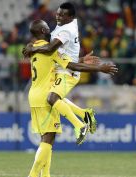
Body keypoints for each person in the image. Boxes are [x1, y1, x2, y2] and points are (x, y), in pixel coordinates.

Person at [24, 20, 117, 177]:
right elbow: (71, 65)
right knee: (49, 138)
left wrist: (82, 58)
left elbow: (59, 61)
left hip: (35, 94)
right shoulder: (50, 48)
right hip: (45, 96)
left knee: (47, 138)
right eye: (47, 26)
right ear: (44, 30)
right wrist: (99, 68)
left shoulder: (33, 48)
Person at [23, 2, 98, 139]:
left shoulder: (66, 30)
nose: (58, 17)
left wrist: (32, 48)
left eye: (62, 15)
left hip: (67, 72)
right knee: (56, 98)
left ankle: (79, 125)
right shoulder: (63, 25)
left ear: (70, 17)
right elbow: (46, 40)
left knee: (52, 98)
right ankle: (85, 114)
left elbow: (50, 49)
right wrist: (30, 44)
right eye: (58, 13)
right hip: (62, 68)